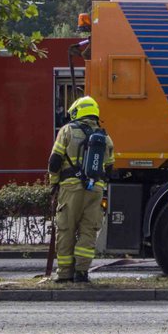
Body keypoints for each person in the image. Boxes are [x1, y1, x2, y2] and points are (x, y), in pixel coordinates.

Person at [49, 96, 115, 283]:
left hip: (71, 188)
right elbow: (110, 167)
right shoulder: (105, 137)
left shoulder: (67, 131)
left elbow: (54, 161)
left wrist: (54, 183)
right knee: (88, 230)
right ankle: (82, 272)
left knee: (66, 229)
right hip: (95, 189)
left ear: (77, 111)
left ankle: (64, 273)